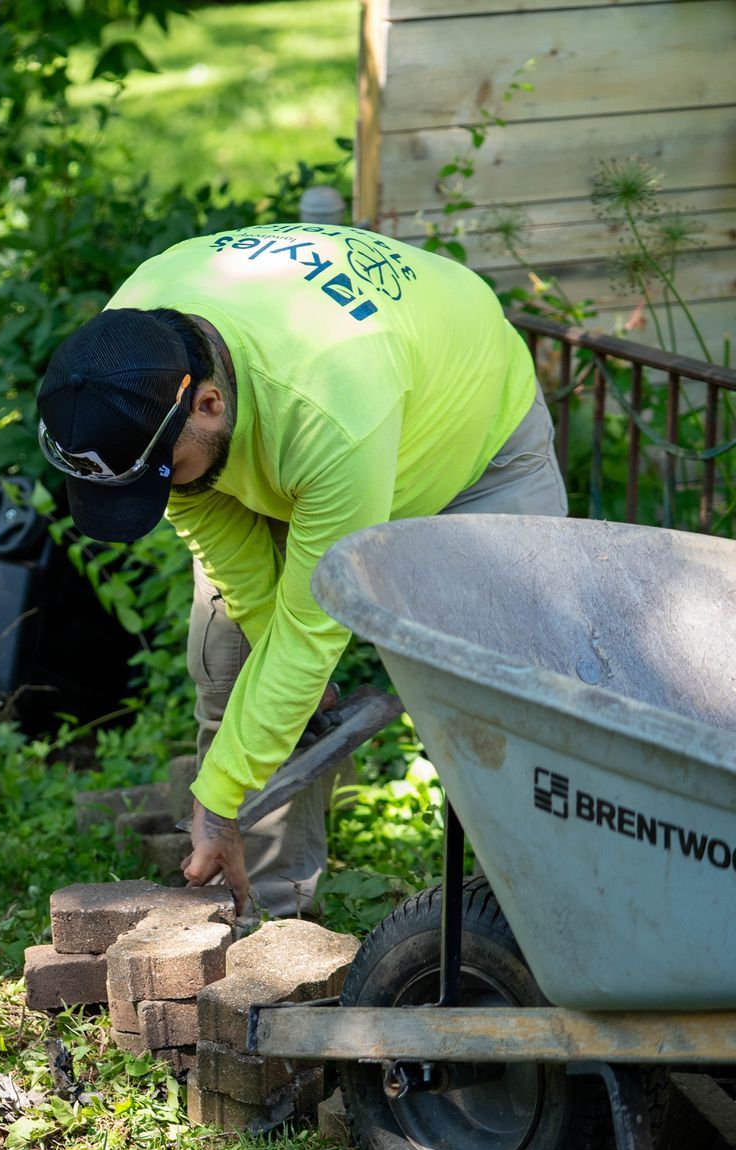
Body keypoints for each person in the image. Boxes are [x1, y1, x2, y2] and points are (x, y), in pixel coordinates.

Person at [35, 222, 567, 917]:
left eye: (164, 475)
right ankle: (269, 923)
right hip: (304, 444)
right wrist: (281, 683)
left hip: (471, 441)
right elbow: (219, 538)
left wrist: (222, 795)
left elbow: (309, 632)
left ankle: (539, 914)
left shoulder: (331, 409)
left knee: (515, 687)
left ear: (209, 403)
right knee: (234, 661)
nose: (161, 496)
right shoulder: (126, 363)